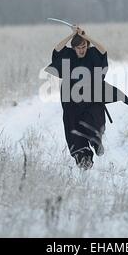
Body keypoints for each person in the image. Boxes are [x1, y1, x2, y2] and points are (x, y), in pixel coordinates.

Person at [45, 25, 110, 170]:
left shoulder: (92, 54)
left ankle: (96, 142)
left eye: (84, 46)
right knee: (73, 130)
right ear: (73, 48)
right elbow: (57, 49)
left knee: (94, 119)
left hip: (91, 97)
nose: (82, 50)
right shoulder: (68, 55)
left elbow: (104, 50)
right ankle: (84, 160)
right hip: (71, 101)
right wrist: (72, 34)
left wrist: (86, 36)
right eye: (79, 47)